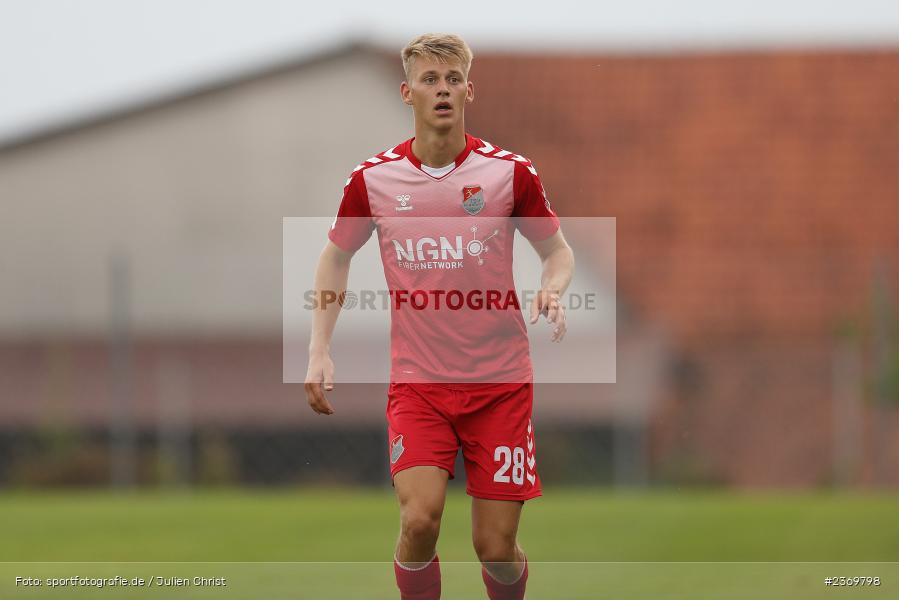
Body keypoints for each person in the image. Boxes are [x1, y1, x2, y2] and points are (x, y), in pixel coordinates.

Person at [305, 33, 574, 600]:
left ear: (469, 90)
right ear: (408, 92)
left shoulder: (508, 173)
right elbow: (335, 255)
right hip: (419, 386)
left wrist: (554, 286)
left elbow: (557, 250)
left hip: (499, 385)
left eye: (453, 80)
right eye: (430, 80)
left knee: (496, 549)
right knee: (420, 519)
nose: (443, 89)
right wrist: (318, 349)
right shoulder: (373, 180)